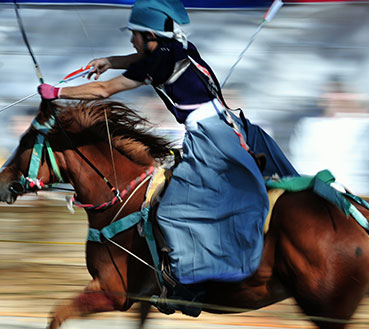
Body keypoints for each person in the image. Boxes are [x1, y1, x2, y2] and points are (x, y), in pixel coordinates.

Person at [37, 0, 297, 306]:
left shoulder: (157, 59)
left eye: (135, 33)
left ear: (151, 35)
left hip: (211, 138)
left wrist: (57, 93)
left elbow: (104, 91)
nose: (131, 39)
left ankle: (190, 285)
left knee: (173, 211)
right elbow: (141, 59)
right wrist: (110, 60)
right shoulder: (176, 48)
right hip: (231, 126)